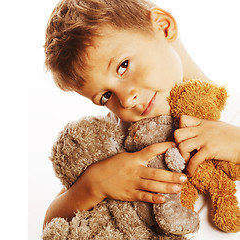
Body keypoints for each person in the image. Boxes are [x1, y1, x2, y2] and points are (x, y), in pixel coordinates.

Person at [42, 0, 240, 231]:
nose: (126, 100)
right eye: (106, 96)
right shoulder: (116, 141)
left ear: (163, 26)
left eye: (123, 66)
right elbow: (51, 224)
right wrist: (94, 185)